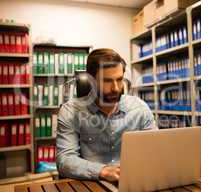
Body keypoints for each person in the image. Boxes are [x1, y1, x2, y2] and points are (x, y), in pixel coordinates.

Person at [56, 48, 157, 182]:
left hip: (133, 181)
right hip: (91, 184)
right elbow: (65, 160)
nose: (116, 88)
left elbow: (155, 150)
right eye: (107, 81)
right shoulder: (70, 112)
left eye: (119, 79)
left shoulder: (139, 108)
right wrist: (102, 171)